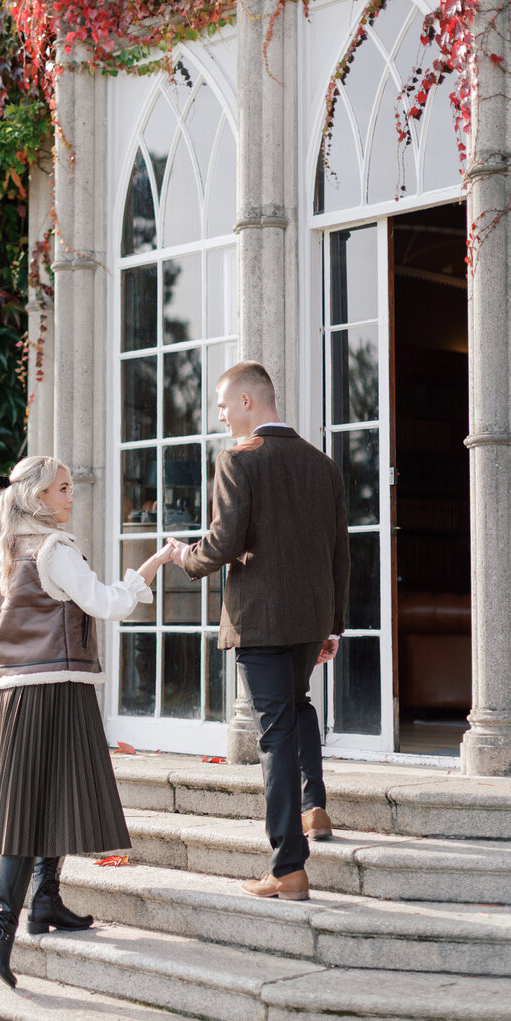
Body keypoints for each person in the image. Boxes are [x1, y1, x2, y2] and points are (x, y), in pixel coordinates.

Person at [0, 455, 174, 988]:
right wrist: (148, 570)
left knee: (45, 796)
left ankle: (46, 902)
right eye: (63, 488)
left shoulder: (3, 548)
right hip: (53, 689)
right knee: (27, 807)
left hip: (20, 691)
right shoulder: (53, 549)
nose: (71, 496)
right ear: (38, 496)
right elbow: (105, 603)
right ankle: (0, 921)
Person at [167, 361, 349, 902]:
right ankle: (314, 807)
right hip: (310, 617)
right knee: (297, 708)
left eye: (223, 406)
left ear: (249, 402)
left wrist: (185, 557)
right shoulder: (323, 465)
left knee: (273, 735)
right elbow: (341, 552)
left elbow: (222, 544)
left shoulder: (237, 461)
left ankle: (288, 867)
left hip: (262, 622)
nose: (220, 417)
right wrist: (333, 623)